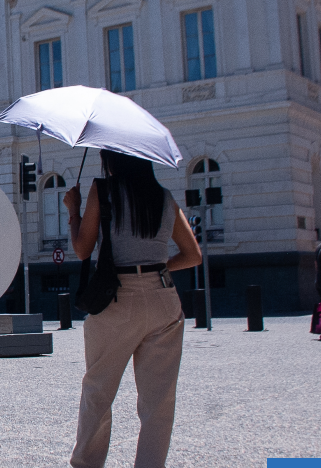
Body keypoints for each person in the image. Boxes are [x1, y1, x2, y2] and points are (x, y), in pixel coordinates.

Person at [62, 150, 202, 468]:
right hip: (162, 298)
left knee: (98, 390)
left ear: (112, 160)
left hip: (117, 299)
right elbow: (193, 255)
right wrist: (156, 266)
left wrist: (74, 211)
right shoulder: (163, 197)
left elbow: (83, 249)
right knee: (159, 402)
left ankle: (88, 464)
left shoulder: (103, 190)